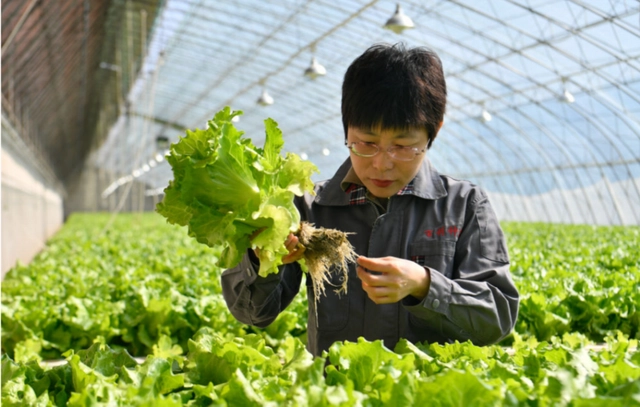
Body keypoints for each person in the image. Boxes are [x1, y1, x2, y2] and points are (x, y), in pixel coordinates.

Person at [221, 43, 519, 357]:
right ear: (346, 130)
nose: (381, 163)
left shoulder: (464, 206)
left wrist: (425, 285)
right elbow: (252, 313)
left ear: (434, 133)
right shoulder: (308, 207)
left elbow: (497, 317)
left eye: (403, 146)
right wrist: (261, 261)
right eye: (366, 143)